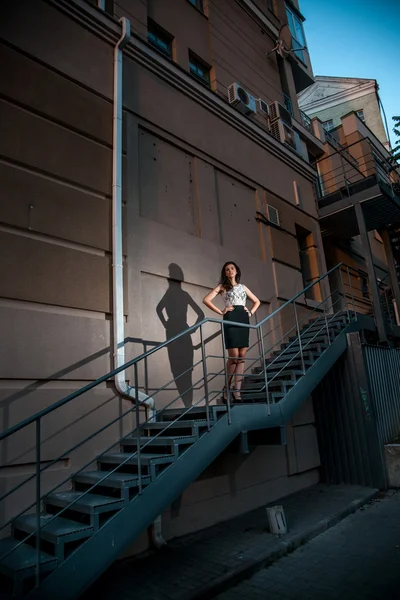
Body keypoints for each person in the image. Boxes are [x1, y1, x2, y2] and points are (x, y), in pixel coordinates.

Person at [203, 262, 260, 403]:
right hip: (230, 318)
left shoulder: (243, 287)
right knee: (234, 355)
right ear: (225, 273)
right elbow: (206, 300)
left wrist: (250, 312)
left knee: (242, 355)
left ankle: (237, 392)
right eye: (227, 269)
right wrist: (222, 311)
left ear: (236, 271)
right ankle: (227, 388)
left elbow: (257, 301)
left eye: (232, 268)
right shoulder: (222, 287)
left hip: (243, 318)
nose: (230, 271)